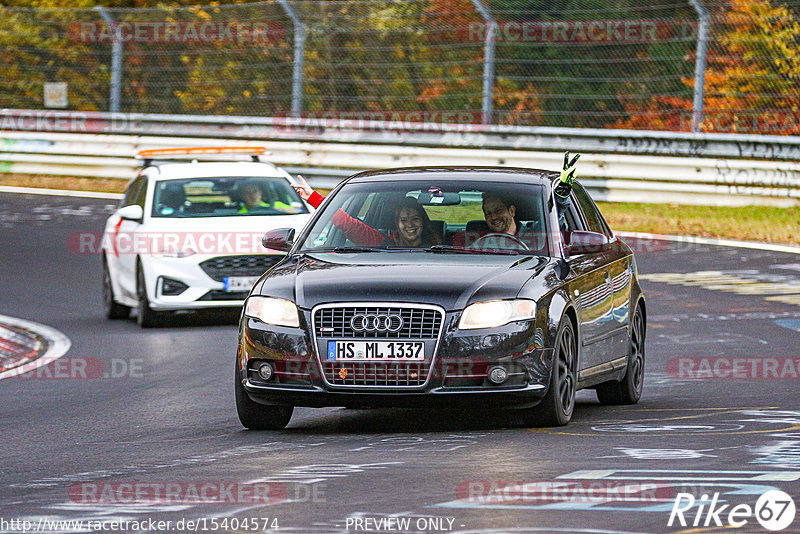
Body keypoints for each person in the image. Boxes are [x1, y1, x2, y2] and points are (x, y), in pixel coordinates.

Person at [292, 176, 441, 247]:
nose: (410, 225)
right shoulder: (381, 242)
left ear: (423, 221)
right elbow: (348, 224)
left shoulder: (441, 247)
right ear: (396, 223)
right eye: (404, 220)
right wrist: (313, 198)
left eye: (415, 218)